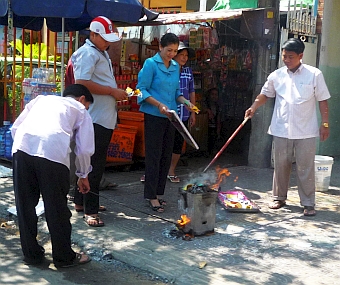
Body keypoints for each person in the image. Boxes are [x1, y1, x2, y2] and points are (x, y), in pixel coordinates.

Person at [245, 38, 330, 217]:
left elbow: (323, 100)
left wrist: (325, 124)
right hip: (281, 129)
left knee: (305, 167)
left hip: (305, 130)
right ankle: (279, 197)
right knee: (281, 166)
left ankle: (308, 203)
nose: (286, 60)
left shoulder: (314, 75)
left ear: (301, 56)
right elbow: (265, 95)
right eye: (284, 56)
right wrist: (253, 107)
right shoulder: (277, 75)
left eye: (290, 57)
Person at [12, 84, 94, 268]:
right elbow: (84, 148)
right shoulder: (80, 109)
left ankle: (31, 254)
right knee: (56, 207)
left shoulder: (41, 99)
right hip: (52, 152)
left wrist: (22, 151)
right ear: (82, 99)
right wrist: (83, 174)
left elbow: (16, 127)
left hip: (22, 147)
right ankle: (64, 257)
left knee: (24, 204)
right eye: (87, 105)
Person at [71, 16, 128, 226]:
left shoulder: (99, 52)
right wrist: (112, 91)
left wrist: (113, 93)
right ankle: (90, 210)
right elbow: (82, 83)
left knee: (94, 163)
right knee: (94, 165)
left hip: (103, 116)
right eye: (104, 38)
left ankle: (81, 201)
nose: (108, 42)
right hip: (94, 118)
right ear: (93, 34)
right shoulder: (88, 53)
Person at [137, 33, 197, 212]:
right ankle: (151, 196)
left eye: (174, 50)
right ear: (160, 48)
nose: (172, 54)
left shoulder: (175, 67)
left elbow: (177, 93)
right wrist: (158, 104)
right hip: (154, 115)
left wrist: (187, 103)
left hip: (171, 117)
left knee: (166, 155)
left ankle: (159, 193)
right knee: (154, 155)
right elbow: (141, 90)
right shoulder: (150, 64)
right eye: (169, 50)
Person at [167, 42, 196, 183]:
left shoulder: (188, 71)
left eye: (186, 55)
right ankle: (157, 171)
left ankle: (171, 170)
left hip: (183, 113)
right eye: (181, 55)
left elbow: (191, 91)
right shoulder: (167, 70)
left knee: (178, 143)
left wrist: (193, 112)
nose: (184, 58)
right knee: (165, 142)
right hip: (168, 112)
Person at [204, 87, 222, 154]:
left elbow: (218, 119)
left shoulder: (218, 106)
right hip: (205, 126)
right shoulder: (205, 104)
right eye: (212, 94)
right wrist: (207, 110)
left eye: (216, 94)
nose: (214, 96)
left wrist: (218, 131)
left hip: (214, 126)